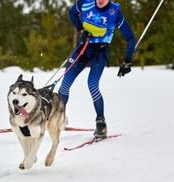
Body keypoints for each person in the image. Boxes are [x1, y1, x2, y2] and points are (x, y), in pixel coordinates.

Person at [58, 0, 136, 139]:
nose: (101, 0)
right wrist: (81, 29)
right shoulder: (85, 3)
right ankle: (58, 118)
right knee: (64, 86)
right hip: (82, 49)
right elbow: (72, 13)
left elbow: (130, 38)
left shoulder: (115, 12)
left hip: (99, 53)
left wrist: (127, 61)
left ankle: (101, 123)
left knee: (92, 85)